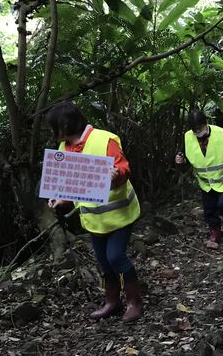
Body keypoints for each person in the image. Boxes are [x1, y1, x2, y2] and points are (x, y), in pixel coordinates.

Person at [45, 101, 142, 322]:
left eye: (55, 127)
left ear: (65, 125)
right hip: (93, 219)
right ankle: (112, 301)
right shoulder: (64, 148)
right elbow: (72, 183)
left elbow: (124, 168)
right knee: (104, 261)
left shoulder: (104, 139)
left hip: (119, 215)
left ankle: (134, 302)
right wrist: (60, 199)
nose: (53, 133)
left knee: (116, 256)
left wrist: (116, 175)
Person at [175, 110, 223, 245]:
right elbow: (185, 154)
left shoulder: (221, 134)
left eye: (200, 128)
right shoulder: (187, 137)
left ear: (206, 123)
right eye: (195, 130)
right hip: (204, 182)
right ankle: (215, 231)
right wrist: (180, 159)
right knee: (209, 208)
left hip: (222, 179)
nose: (198, 132)